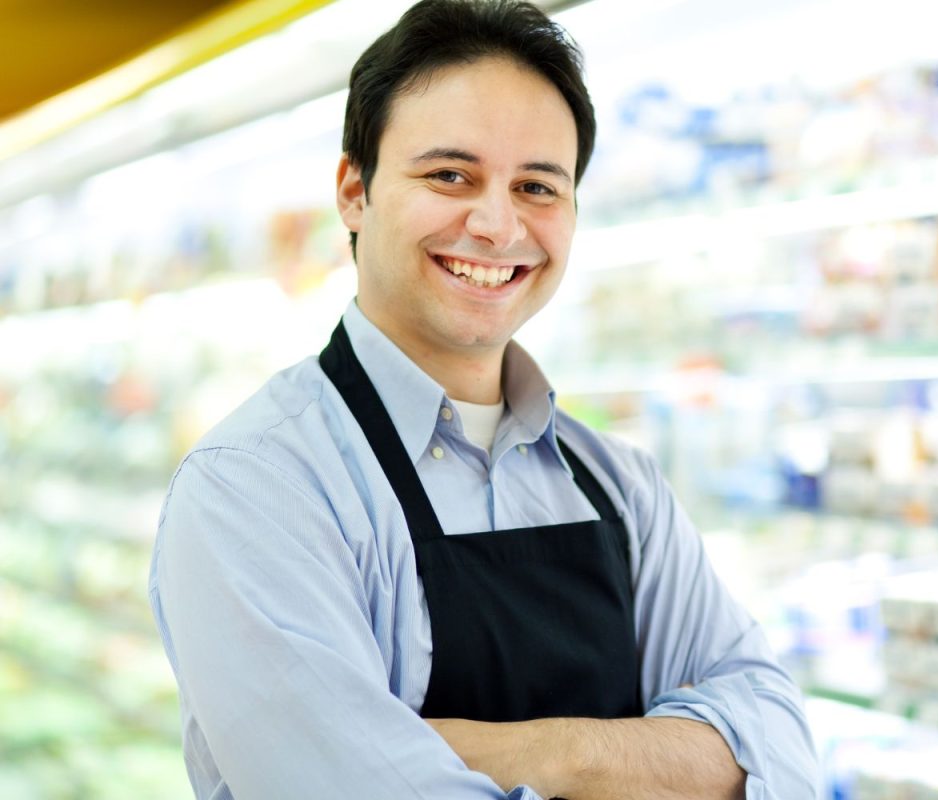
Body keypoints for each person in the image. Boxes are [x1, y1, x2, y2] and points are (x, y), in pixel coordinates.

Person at [148, 1, 819, 798]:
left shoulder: (620, 484)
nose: (498, 226)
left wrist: (557, 755)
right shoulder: (257, 488)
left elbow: (782, 752)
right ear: (354, 192)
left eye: (538, 187)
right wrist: (664, 759)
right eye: (449, 175)